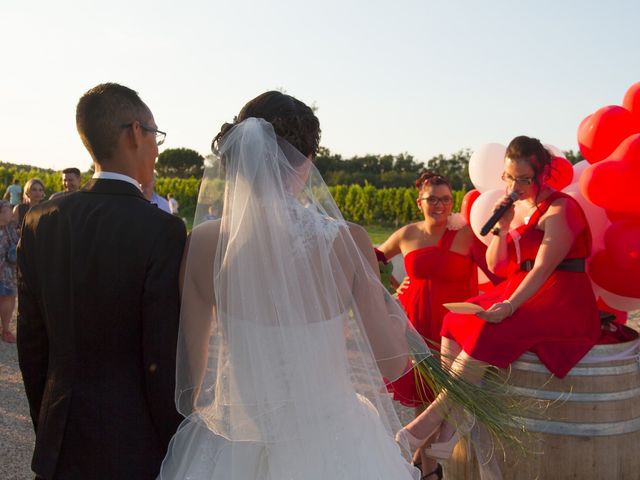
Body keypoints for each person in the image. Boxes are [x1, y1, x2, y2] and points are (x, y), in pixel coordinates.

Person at [158, 91, 429, 480]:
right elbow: (391, 361)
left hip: (237, 439)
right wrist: (394, 315)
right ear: (308, 162)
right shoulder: (347, 242)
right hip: (333, 441)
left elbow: (192, 371)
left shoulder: (202, 245)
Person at [17, 83, 186, 480]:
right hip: (133, 444)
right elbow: (159, 355)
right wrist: (173, 441)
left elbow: (32, 342)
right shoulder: (161, 230)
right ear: (133, 133)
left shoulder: (41, 219)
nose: (158, 149)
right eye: (155, 135)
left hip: (59, 439)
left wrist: (48, 427)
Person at [396, 135, 601, 460]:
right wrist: (502, 230)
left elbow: (543, 269)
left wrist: (509, 306)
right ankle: (450, 428)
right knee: (455, 320)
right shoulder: (522, 209)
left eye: (525, 179)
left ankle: (425, 425)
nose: (517, 186)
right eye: (511, 178)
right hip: (522, 288)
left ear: (544, 173)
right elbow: (497, 265)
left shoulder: (562, 208)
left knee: (488, 330)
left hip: (561, 298)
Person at [377, 171, 500, 478]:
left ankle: (425, 466)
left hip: (454, 331)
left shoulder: (467, 236)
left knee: (444, 402)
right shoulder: (407, 234)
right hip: (414, 327)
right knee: (425, 399)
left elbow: (499, 274)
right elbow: (372, 257)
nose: (440, 205)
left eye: (446, 199)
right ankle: (429, 469)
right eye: (432, 199)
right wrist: (390, 286)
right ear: (420, 201)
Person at [0, 201, 18, 343]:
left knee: (9, 298)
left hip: (8, 272)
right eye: (7, 211)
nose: (11, 213)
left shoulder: (11, 227)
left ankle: (5, 329)